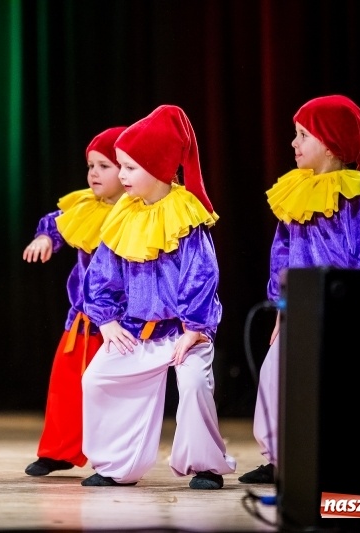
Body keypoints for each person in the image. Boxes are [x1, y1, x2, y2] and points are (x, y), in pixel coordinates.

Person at [79, 105, 236, 490]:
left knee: (194, 383)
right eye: (121, 166)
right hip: (138, 328)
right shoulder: (124, 214)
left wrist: (195, 328)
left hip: (184, 331)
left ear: (159, 168)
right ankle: (118, 465)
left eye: (130, 167)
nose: (123, 175)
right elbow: (102, 271)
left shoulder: (185, 216)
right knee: (97, 378)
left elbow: (202, 274)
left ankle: (204, 466)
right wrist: (107, 318)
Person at [239, 94, 360, 484]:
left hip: (339, 310)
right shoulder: (296, 191)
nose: (294, 143)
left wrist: (351, 301)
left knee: (332, 386)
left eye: (303, 135)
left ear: (332, 145)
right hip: (298, 308)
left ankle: (329, 458)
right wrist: (281, 306)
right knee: (273, 376)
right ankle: (276, 459)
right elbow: (282, 254)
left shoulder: (354, 196)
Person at [23, 126, 127, 477]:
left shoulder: (137, 212)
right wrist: (45, 238)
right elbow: (57, 223)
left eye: (104, 166)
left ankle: (114, 460)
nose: (93, 173)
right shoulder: (86, 205)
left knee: (112, 393)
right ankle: (58, 451)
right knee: (66, 384)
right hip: (82, 319)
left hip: (121, 323)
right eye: (91, 166)